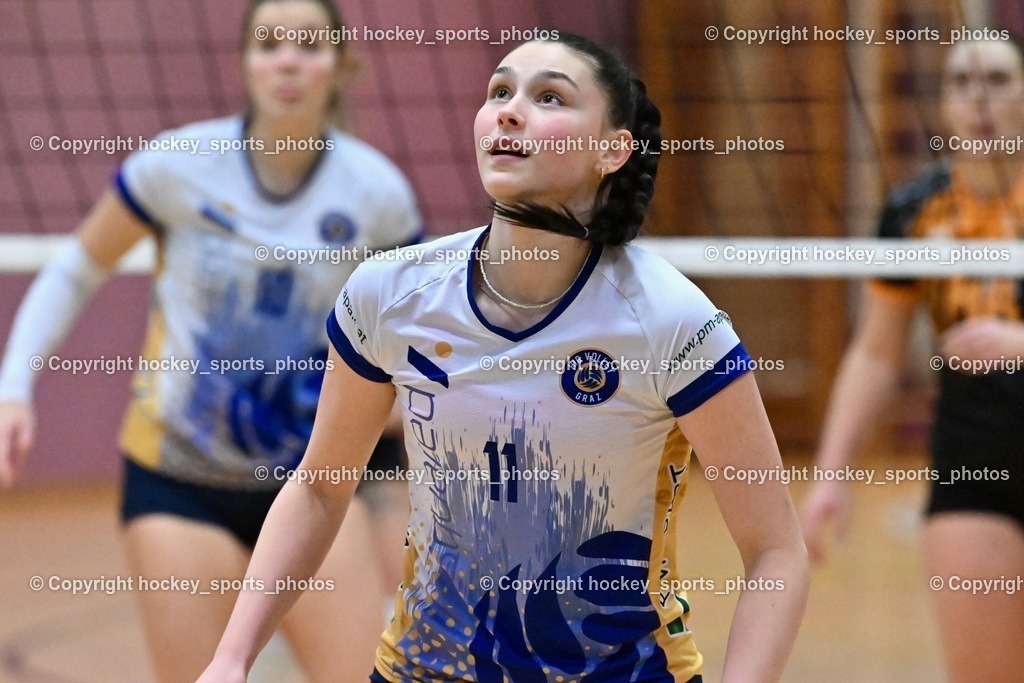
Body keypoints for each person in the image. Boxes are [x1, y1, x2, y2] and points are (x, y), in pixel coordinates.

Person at [198, 33, 809, 683]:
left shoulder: (669, 320)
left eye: (549, 96)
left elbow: (775, 550)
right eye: (499, 92)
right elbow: (320, 488)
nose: (510, 111)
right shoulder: (390, 293)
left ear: (613, 148)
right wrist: (231, 657)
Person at [0, 1, 420, 681]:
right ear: (245, 61)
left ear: (340, 66)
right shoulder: (177, 166)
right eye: (269, 43)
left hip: (311, 482)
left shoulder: (376, 194)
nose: (287, 60)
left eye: (308, 45)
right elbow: (78, 267)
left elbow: (413, 333)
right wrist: (13, 388)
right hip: (179, 485)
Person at [802, 37, 1024, 683]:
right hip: (974, 461)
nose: (980, 98)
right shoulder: (914, 211)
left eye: (999, 79)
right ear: (944, 103)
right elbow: (876, 352)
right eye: (962, 82)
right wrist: (830, 471)